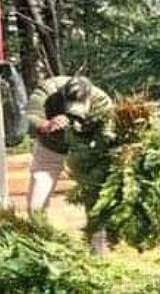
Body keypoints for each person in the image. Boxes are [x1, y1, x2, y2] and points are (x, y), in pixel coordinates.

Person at [25, 75, 112, 255]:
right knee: (35, 205)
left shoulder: (102, 101)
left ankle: (98, 253)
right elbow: (30, 116)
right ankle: (42, 248)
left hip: (85, 152)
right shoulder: (47, 91)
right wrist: (46, 124)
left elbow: (107, 135)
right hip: (50, 148)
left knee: (96, 203)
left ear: (89, 98)